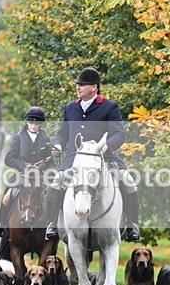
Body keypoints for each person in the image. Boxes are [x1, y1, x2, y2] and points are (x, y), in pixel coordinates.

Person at [44, 67, 141, 242]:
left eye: (82, 84)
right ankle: (52, 223)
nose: (78, 87)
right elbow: (62, 133)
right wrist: (58, 145)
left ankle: (132, 224)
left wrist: (106, 147)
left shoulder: (109, 107)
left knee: (129, 181)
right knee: (56, 181)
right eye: (78, 85)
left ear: (94, 87)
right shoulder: (70, 107)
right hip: (74, 159)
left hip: (104, 157)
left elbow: (119, 134)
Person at [0, 106, 51, 237]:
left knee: (52, 194)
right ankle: (1, 224)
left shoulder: (46, 139)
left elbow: (49, 160)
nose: (34, 126)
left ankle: (52, 225)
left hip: (40, 176)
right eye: (31, 123)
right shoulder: (18, 138)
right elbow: (9, 158)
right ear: (27, 122)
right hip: (21, 174)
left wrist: (47, 166)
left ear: (40, 124)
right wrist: (23, 166)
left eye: (37, 123)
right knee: (8, 195)